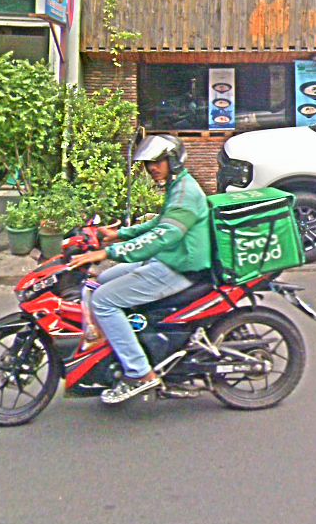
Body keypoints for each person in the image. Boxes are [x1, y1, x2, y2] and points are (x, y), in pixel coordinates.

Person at [67, 134, 211, 405]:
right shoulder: (178, 186)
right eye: (148, 164)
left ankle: (139, 373)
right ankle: (122, 340)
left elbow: (163, 235)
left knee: (103, 300)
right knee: (102, 279)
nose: (152, 168)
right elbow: (159, 223)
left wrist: (108, 252)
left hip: (179, 267)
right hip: (168, 259)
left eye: (158, 162)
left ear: (173, 161)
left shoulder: (185, 193)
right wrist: (119, 234)